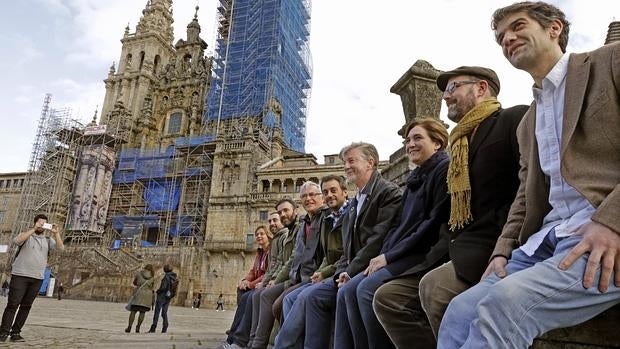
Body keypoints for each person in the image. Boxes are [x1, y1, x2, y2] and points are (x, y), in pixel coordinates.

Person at [437, 2, 620, 348]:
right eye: (501, 36)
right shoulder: (527, 122)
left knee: (505, 303)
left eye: (517, 26)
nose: (508, 38)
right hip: (545, 241)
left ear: (554, 29)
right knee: (459, 310)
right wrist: (501, 252)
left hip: (604, 234)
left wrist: (612, 221)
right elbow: (525, 197)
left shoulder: (610, 61)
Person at [382, 66, 526, 347]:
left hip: (495, 245)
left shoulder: (512, 118)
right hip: (457, 247)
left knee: (434, 288)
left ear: (481, 88)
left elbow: (528, 186)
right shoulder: (460, 142)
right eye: (444, 91)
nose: (446, 96)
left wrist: (507, 246)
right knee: (389, 298)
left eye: (453, 88)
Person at [331, 118, 450, 349]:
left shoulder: (442, 169)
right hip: (402, 253)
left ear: (437, 143)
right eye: (407, 140)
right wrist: (383, 256)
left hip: (424, 254)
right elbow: (396, 227)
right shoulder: (415, 178)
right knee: (349, 289)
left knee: (365, 289)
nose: (410, 144)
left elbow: (432, 224)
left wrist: (388, 257)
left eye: (417, 138)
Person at [303, 142, 403, 349]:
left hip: (374, 265)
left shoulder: (387, 192)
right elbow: (347, 249)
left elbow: (377, 239)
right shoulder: (357, 201)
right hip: (353, 269)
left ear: (370, 163)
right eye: (344, 162)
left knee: (347, 291)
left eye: (351, 161)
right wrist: (341, 271)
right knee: (312, 296)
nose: (346, 166)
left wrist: (349, 271)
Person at [273, 175, 349, 348]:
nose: (309, 199)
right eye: (305, 196)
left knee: (297, 298)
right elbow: (297, 258)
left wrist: (322, 272)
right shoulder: (309, 222)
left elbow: (340, 254)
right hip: (310, 276)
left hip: (328, 274)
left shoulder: (329, 217)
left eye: (313, 195)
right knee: (287, 300)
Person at [250, 183, 326, 349]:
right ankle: (252, 340)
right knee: (259, 296)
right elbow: (289, 260)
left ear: (295, 210)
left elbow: (292, 260)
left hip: (307, 278)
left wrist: (274, 280)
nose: (282, 215)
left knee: (276, 300)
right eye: (279, 212)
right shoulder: (301, 227)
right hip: (297, 278)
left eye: (285, 211)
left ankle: (262, 343)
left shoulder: (312, 223)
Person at [0, 213, 64, 342]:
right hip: (20, 275)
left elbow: (60, 248)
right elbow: (17, 241)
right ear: (35, 222)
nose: (41, 225)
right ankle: (3, 333)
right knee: (12, 304)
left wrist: (56, 233)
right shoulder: (26, 235)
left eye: (43, 223)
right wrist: (34, 229)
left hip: (37, 278)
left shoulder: (47, 240)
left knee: (26, 306)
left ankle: (16, 333)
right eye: (39, 222)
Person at [246, 203, 295, 348]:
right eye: (270, 221)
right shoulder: (279, 238)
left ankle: (258, 342)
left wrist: (273, 280)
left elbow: (286, 262)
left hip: (289, 279)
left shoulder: (285, 236)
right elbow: (276, 264)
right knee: (253, 295)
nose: (273, 223)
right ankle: (248, 337)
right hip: (283, 278)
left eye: (276, 220)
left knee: (262, 295)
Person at [220, 225, 272, 348]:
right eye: (257, 234)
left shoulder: (271, 251)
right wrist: (245, 281)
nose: (258, 236)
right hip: (256, 284)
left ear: (268, 235)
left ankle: (234, 337)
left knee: (247, 297)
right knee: (241, 290)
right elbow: (253, 271)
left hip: (263, 284)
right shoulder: (260, 253)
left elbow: (268, 272)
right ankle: (236, 329)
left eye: (261, 234)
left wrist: (250, 284)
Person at [148, 264, 178, 333]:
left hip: (162, 296)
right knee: (164, 312)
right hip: (169, 297)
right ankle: (165, 326)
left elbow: (163, 287)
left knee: (157, 312)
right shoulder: (174, 277)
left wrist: (158, 291)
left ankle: (153, 327)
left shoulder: (166, 277)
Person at [125, 264, 155, 333]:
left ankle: (129, 327)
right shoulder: (152, 277)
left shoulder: (139, 274)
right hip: (147, 296)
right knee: (142, 312)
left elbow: (134, 283)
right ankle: (138, 328)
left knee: (133, 311)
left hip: (138, 294)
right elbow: (152, 287)